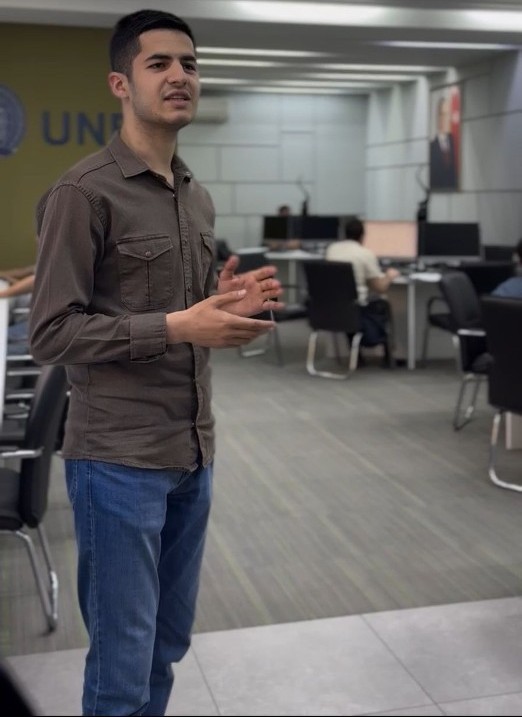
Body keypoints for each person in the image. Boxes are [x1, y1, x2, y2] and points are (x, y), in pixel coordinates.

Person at [29, 9, 283, 716]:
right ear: (120, 83)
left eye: (190, 64)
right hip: (117, 460)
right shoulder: (83, 193)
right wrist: (178, 324)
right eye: (159, 63)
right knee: (121, 665)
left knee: (165, 646)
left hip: (193, 451)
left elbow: (190, 315)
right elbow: (50, 333)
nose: (180, 76)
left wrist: (226, 306)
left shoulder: (195, 195)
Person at [326, 216, 399, 357]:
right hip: (357, 309)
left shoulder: (332, 249)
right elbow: (380, 287)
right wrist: (390, 275)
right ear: (362, 236)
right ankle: (388, 356)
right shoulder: (365, 254)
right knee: (382, 303)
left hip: (331, 308)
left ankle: (357, 355)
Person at [429, 96, 458, 190]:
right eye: (443, 114)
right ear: (438, 117)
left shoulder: (455, 143)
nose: (446, 119)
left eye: (448, 114)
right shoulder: (431, 148)